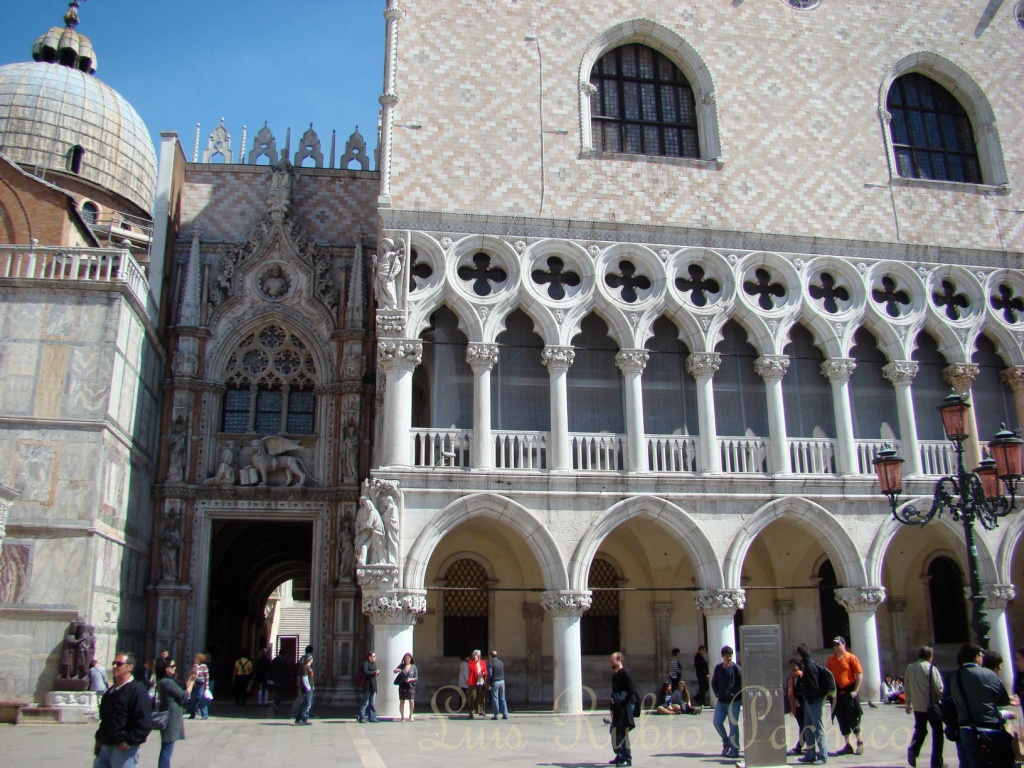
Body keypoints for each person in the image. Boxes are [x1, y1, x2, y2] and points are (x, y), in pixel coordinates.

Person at [950, 642, 1014, 768]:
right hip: (988, 728)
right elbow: (1003, 699)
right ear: (977, 657)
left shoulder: (954, 677)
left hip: (965, 728)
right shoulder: (987, 674)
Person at [93, 651, 152, 768]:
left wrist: (129, 741)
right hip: (105, 745)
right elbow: (105, 719)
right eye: (113, 663)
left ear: (130, 667)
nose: (114, 666)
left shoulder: (137, 690)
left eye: (119, 664)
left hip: (122, 749)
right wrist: (99, 738)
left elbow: (144, 721)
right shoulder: (110, 692)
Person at [904, 644, 945, 768]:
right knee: (938, 734)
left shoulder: (910, 668)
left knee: (920, 730)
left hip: (917, 706)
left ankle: (913, 749)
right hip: (932, 707)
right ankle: (936, 762)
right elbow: (939, 688)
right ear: (930, 656)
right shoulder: (931, 668)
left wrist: (908, 704)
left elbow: (907, 687)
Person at [826, 636, 864, 756]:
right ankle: (848, 745)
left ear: (844, 644)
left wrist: (855, 691)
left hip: (849, 693)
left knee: (853, 719)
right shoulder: (831, 660)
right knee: (842, 719)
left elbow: (859, 674)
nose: (836, 647)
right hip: (837, 695)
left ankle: (859, 742)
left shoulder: (851, 658)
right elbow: (829, 676)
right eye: (834, 645)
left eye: (838, 644)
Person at [155, 657, 192, 768]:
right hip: (170, 718)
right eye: (172, 666)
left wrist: (190, 675)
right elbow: (184, 695)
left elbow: (181, 687)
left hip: (172, 717)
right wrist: (193, 682)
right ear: (166, 669)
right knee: (167, 749)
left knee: (167, 748)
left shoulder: (166, 680)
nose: (175, 668)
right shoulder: (167, 682)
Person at [796, 643, 829, 766]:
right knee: (808, 728)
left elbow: (814, 686)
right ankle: (810, 754)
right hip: (810, 701)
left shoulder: (809, 667)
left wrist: (810, 699)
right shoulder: (809, 665)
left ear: (800, 655)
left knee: (817, 728)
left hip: (813, 702)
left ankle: (823, 755)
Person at [711, 645, 742, 759]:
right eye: (727, 656)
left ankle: (734, 750)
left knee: (733, 725)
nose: (729, 658)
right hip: (721, 701)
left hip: (734, 701)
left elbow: (741, 683)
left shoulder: (736, 668)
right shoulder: (718, 668)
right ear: (722, 656)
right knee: (717, 722)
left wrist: (734, 693)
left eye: (730, 655)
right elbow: (713, 682)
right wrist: (717, 693)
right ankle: (726, 741)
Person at [608, 652, 638, 767]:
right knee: (614, 731)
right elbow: (613, 693)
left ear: (619, 660)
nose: (610, 663)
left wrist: (620, 699)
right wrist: (612, 708)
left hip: (625, 706)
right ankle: (620, 755)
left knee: (623, 732)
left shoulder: (626, 673)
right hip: (617, 707)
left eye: (612, 660)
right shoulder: (615, 675)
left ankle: (627, 758)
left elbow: (631, 690)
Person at [786, 657, 806, 757]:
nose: (793, 668)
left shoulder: (803, 676)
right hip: (795, 706)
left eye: (795, 666)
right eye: (792, 667)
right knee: (802, 726)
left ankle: (799, 746)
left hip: (804, 705)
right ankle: (802, 745)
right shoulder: (790, 678)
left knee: (804, 726)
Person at [394, 652, 418, 722]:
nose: (407, 659)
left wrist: (410, 679)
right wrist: (398, 670)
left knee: (411, 701)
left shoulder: (413, 666)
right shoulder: (402, 665)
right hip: (403, 685)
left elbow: (416, 677)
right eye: (406, 658)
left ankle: (411, 715)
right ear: (404, 659)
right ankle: (402, 716)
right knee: (402, 700)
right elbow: (395, 671)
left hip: (411, 686)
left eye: (408, 658)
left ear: (410, 659)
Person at [294, 645, 314, 725]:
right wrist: (308, 688)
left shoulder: (307, 667)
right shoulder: (305, 667)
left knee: (307, 704)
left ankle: (304, 718)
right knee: (306, 703)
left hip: (309, 687)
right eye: (311, 659)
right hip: (307, 688)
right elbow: (304, 678)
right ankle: (300, 718)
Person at [185, 653, 210, 720]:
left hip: (201, 685)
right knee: (192, 700)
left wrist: (206, 685)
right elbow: (190, 674)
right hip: (194, 685)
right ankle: (192, 714)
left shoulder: (204, 666)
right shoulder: (194, 666)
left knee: (202, 700)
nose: (194, 659)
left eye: (195, 658)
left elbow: (206, 676)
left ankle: (204, 714)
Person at [357, 651, 379, 723]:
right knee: (365, 702)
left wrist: (376, 673)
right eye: (374, 656)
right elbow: (366, 672)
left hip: (373, 685)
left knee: (372, 702)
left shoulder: (374, 664)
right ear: (370, 657)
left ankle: (372, 717)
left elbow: (374, 672)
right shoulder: (366, 663)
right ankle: (361, 717)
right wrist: (374, 672)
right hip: (367, 685)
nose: (375, 657)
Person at [467, 649, 488, 718]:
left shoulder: (482, 662)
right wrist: (475, 661)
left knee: (481, 697)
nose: (479, 656)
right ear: (474, 655)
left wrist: (483, 673)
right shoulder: (471, 662)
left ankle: (481, 710)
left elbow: (485, 670)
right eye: (477, 655)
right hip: (473, 682)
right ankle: (471, 712)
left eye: (479, 655)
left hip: (481, 681)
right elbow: (471, 668)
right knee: (473, 697)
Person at [488, 650, 508, 720]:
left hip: (495, 682)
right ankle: (505, 714)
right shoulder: (501, 663)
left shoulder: (491, 663)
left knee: (495, 698)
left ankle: (496, 715)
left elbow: (490, 674)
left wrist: (488, 682)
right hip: (502, 681)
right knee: (502, 698)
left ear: (490, 656)